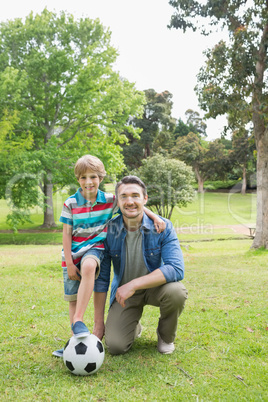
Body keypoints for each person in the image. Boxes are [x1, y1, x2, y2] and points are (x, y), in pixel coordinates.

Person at [53, 156, 165, 357]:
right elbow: (66, 233)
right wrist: (69, 262)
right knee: (73, 299)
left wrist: (155, 217)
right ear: (78, 179)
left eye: (93, 177)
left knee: (88, 267)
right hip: (72, 254)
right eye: (83, 177)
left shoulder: (110, 200)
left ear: (101, 178)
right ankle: (73, 342)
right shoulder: (70, 203)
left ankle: (79, 319)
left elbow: (132, 204)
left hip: (96, 248)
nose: (89, 182)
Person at [94, 175, 188, 355]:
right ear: (118, 201)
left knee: (176, 292)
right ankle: (133, 326)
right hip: (125, 295)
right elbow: (102, 279)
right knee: (115, 346)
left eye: (135, 195)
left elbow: (176, 268)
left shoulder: (162, 227)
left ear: (145, 199)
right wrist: (99, 324)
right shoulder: (109, 231)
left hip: (156, 288)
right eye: (124, 196)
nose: (130, 201)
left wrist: (134, 284)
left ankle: (165, 336)